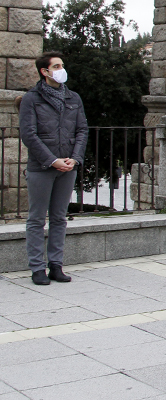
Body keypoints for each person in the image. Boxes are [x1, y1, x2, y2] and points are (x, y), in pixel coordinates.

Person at [19, 52, 88, 286]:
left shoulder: (73, 98)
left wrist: (74, 159)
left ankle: (56, 266)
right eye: (56, 66)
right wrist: (51, 160)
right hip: (41, 167)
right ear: (44, 72)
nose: (61, 69)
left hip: (67, 167)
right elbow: (29, 134)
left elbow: (81, 130)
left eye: (62, 65)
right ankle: (37, 268)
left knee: (59, 217)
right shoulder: (31, 98)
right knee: (37, 218)